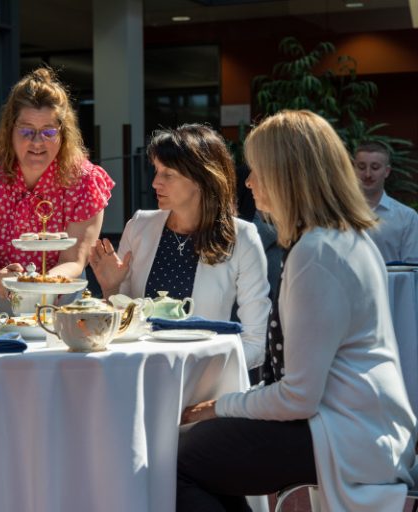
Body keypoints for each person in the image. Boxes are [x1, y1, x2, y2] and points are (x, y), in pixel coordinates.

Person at [176, 111, 416, 512]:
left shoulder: (317, 253)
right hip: (363, 425)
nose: (249, 182)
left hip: (345, 434)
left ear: (287, 175)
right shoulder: (344, 238)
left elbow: (298, 397)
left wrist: (218, 405)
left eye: (256, 170)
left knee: (175, 462)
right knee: (199, 453)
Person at [88, 124, 270, 369]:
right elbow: (121, 329)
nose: (155, 183)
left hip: (204, 385)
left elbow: (256, 343)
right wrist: (110, 289)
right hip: (140, 375)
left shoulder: (243, 237)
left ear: (201, 178)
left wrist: (202, 378)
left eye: (168, 174)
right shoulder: (139, 226)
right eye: (156, 171)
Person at [0, 67, 114, 303]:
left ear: (63, 133)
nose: (37, 142)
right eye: (27, 131)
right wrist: (1, 279)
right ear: (10, 130)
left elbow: (73, 261)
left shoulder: (84, 181)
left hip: (59, 292)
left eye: (48, 131)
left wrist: (41, 286)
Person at [354, 141, 418, 263]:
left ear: (387, 171)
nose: (368, 174)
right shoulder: (338, 213)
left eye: (375, 167)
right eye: (361, 167)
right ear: (353, 169)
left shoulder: (407, 218)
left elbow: (413, 271)